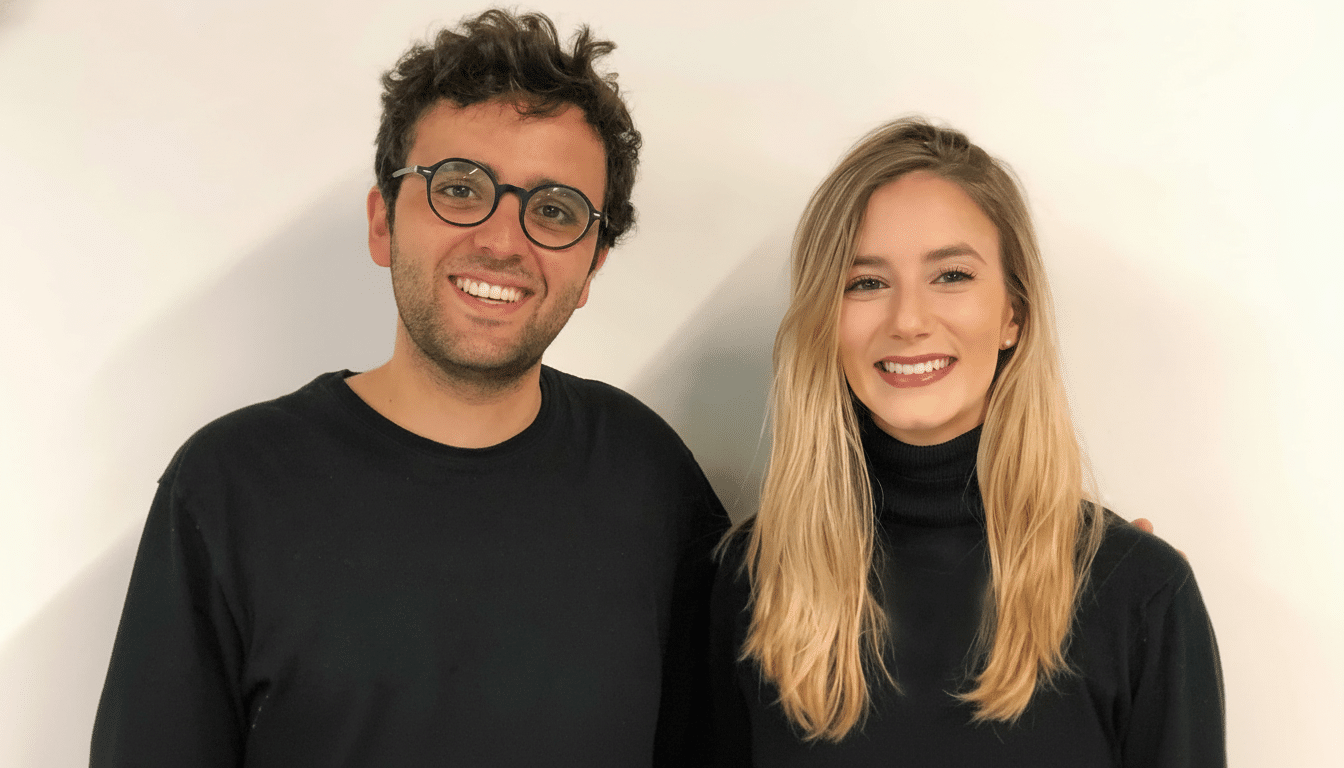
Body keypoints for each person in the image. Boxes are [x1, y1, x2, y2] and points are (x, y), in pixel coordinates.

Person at [91, 10, 726, 766]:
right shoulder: (231, 486)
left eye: (554, 210)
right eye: (459, 188)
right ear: (383, 223)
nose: (502, 240)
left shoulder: (651, 479)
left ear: (591, 267)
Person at [710, 118, 1224, 765]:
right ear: (824, 321)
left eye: (951, 275)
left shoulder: (1140, 593)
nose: (908, 320)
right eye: (865, 282)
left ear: (1014, 312)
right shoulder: (751, 581)